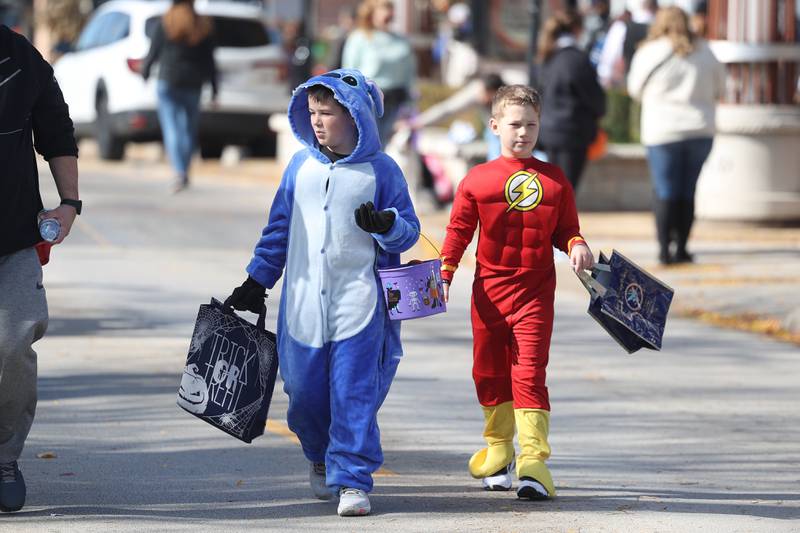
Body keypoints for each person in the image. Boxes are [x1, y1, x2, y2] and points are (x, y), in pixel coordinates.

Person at [226, 68, 419, 517]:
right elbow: (277, 230)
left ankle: (351, 478)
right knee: (304, 397)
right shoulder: (299, 167)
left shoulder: (383, 171)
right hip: (301, 308)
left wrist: (388, 226)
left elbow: (409, 233)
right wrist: (257, 281)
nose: (317, 121)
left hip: (362, 307)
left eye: (327, 112)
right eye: (312, 112)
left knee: (354, 395)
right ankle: (318, 452)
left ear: (357, 117)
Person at [439, 85, 594, 499]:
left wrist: (578, 245)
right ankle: (499, 448)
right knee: (488, 371)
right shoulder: (477, 180)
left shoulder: (556, 180)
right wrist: (445, 271)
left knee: (529, 373)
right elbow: (458, 231)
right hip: (489, 293)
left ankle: (533, 462)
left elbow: (567, 230)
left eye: (531, 124)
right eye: (514, 124)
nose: (523, 132)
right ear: (494, 126)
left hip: (535, 293)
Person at [0, 23, 81, 513]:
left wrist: (69, 202)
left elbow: (56, 129)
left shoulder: (19, 58)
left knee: (12, 346)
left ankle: (4, 457)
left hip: (11, 240)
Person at [627, 6, 725, 264]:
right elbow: (721, 87)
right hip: (700, 128)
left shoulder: (648, 52)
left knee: (665, 189)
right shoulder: (705, 51)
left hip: (662, 130)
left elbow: (634, 89)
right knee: (688, 190)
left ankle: (663, 249)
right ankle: (682, 247)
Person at [141, 0, 217, 193]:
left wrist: (145, 73)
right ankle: (184, 170)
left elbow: (153, 53)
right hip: (193, 83)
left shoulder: (165, 22)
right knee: (188, 129)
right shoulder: (202, 24)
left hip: (168, 81)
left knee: (172, 128)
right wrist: (215, 88)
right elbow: (210, 61)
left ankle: (179, 172)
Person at [537, 9, 606, 191]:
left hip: (549, 130)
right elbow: (593, 96)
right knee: (566, 190)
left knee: (555, 188)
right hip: (572, 132)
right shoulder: (576, 59)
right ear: (576, 30)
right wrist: (600, 112)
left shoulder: (548, 56)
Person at [342, 0, 416, 147]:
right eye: (384, 9)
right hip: (369, 102)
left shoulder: (401, 41)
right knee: (369, 146)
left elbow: (410, 73)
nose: (389, 14)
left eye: (391, 9)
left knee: (391, 148)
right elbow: (348, 73)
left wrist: (410, 103)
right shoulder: (359, 38)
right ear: (372, 13)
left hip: (396, 102)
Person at [596, 0, 658, 88]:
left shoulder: (621, 27)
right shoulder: (658, 26)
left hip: (629, 84)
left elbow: (607, 62)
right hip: (650, 86)